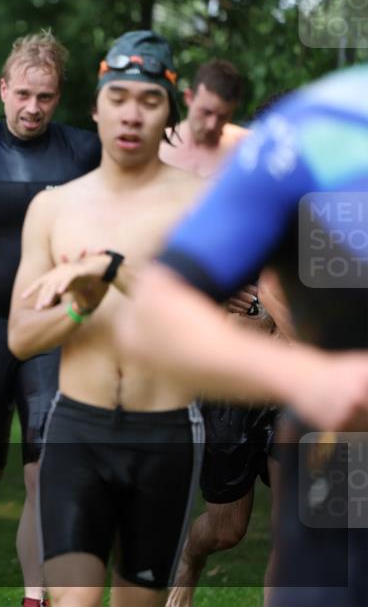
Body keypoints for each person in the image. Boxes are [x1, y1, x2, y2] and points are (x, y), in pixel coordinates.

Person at [120, 65, 368, 606]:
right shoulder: (307, 142)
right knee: (227, 527)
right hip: (244, 387)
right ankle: (191, 555)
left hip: (319, 410)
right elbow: (163, 298)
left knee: (296, 522)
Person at [7, 30, 208, 607]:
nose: (131, 114)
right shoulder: (53, 207)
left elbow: (197, 323)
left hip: (164, 433)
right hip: (78, 433)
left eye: (149, 101)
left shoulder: (200, 205)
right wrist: (80, 305)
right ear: (95, 106)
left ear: (170, 111)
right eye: (117, 96)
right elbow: (21, 338)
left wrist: (113, 268)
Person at [0, 31, 100, 607]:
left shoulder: (83, 152)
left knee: (44, 473)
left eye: (46, 97)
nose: (33, 108)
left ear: (58, 98)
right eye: (23, 95)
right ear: (3, 89)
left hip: (50, 331)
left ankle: (34, 596)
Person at [160, 60, 249, 177]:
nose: (212, 125)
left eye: (223, 117)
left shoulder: (247, 148)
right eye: (207, 112)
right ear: (189, 98)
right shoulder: (158, 147)